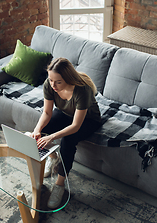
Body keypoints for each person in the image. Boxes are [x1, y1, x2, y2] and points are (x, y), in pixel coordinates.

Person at [30, 57, 102, 209]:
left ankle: (59, 184)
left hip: (88, 120)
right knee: (42, 129)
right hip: (66, 113)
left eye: (58, 82)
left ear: (68, 79)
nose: (53, 85)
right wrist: (37, 130)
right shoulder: (49, 85)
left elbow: (75, 126)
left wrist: (53, 136)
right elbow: (47, 113)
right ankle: (52, 158)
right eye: (50, 80)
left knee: (68, 140)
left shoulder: (83, 90)